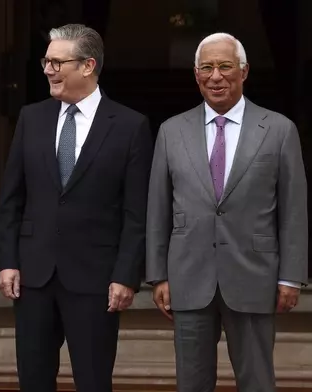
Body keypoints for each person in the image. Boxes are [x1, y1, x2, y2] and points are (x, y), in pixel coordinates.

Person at [0, 24, 153, 392]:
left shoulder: (130, 126)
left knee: (94, 381)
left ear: (88, 65)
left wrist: (126, 274)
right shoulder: (31, 118)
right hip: (33, 276)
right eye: (46, 61)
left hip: (96, 278)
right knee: (33, 380)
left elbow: (136, 211)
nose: (48, 69)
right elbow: (11, 199)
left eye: (57, 62)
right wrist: (7, 260)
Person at [146, 32, 308, 392]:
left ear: (244, 71)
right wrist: (158, 275)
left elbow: (293, 209)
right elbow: (157, 209)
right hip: (188, 276)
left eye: (224, 66)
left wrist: (290, 277)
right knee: (192, 382)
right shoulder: (171, 131)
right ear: (196, 74)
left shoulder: (279, 130)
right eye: (206, 67)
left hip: (255, 276)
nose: (215, 76)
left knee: (257, 381)